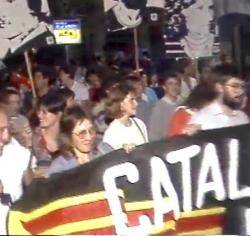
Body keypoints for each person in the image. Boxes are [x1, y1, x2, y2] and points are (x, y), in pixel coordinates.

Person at [46, 105, 113, 177]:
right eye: (82, 133)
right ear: (68, 137)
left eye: (91, 130)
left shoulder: (104, 150)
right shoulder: (60, 168)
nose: (89, 137)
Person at [189, 64, 249, 130]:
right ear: (219, 87)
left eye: (242, 86)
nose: (240, 91)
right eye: (234, 86)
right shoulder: (201, 119)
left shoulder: (243, 117)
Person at [103, 82, 148, 151]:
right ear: (121, 104)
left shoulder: (139, 123)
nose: (136, 104)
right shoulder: (112, 133)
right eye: (131, 100)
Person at [33, 91, 65, 167]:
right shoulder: (35, 137)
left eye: (44, 112)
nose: (39, 116)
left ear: (59, 114)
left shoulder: (70, 135)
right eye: (38, 111)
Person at [148, 71, 182, 141]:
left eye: (176, 84)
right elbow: (154, 134)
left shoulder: (183, 103)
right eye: (170, 84)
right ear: (164, 87)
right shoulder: (159, 107)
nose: (174, 87)